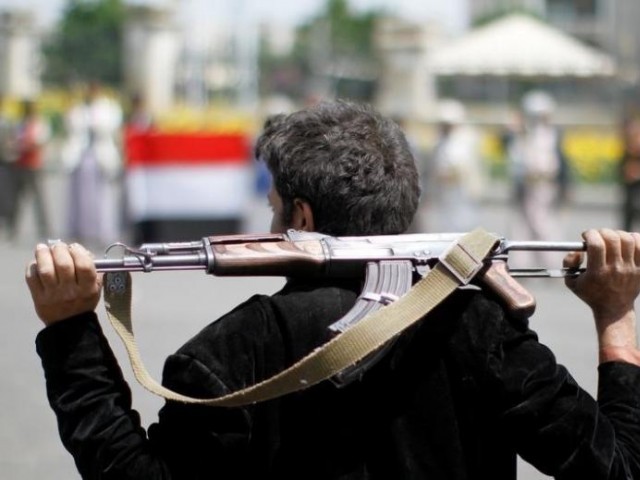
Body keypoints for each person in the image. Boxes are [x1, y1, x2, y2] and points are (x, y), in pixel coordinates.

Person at [26, 100, 640, 479]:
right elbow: (616, 466)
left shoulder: (234, 350)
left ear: (302, 214)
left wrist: (71, 330)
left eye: (274, 210)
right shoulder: (481, 329)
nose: (267, 229)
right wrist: (615, 317)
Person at [61, 81, 123, 247]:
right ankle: (79, 231)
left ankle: (101, 231)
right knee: (79, 197)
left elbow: (110, 126)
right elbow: (72, 126)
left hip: (100, 156)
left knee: (101, 197)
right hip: (82, 156)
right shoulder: (80, 108)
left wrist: (95, 123)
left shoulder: (107, 108)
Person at [429, 99, 484, 232]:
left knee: (461, 229)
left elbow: (459, 169)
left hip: (460, 195)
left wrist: (445, 176)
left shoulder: (462, 142)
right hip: (446, 196)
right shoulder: (441, 142)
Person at [7, 98, 51, 241]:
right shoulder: (20, 125)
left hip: (33, 165)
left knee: (38, 199)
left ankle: (44, 228)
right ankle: (13, 228)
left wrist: (26, 145)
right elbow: (13, 141)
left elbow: (39, 142)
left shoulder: (38, 125)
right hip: (20, 165)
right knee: (16, 200)